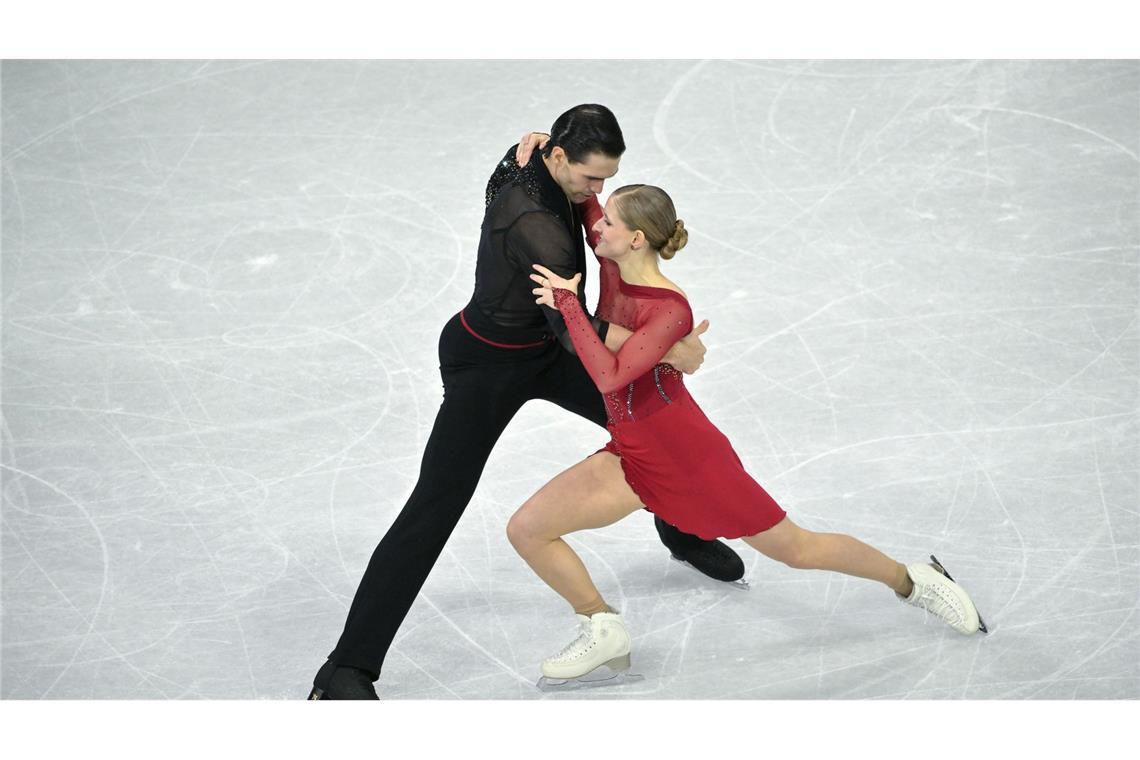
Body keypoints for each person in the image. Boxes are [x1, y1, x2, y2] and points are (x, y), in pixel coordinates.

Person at [308, 105, 746, 700]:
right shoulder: (536, 228)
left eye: (607, 180)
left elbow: (509, 185)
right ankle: (346, 669)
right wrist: (666, 347)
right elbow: (574, 327)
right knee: (436, 503)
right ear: (560, 158)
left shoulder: (536, 161)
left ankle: (682, 532)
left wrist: (539, 145)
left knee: (659, 430)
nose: (599, 195)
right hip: (490, 363)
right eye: (592, 180)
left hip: (549, 347)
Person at [509, 184, 988, 687]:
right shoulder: (612, 265)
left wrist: (567, 303)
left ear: (635, 240)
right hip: (632, 452)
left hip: (686, 455)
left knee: (795, 549)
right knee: (527, 528)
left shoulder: (671, 309)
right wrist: (548, 154)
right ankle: (600, 625)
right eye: (601, 219)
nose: (597, 228)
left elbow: (610, 377)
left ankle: (913, 581)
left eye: (610, 222)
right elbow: (586, 203)